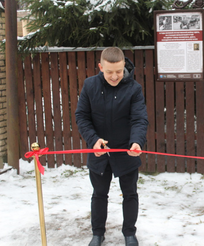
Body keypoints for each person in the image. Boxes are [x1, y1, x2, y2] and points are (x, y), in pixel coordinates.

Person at [75, 47, 148, 246]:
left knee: (130, 193)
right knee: (99, 194)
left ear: (124, 65)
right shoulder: (90, 85)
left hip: (126, 152)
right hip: (98, 152)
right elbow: (82, 116)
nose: (114, 76)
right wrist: (93, 140)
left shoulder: (134, 89)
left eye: (118, 71)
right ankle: (97, 233)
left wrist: (136, 141)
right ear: (100, 67)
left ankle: (129, 233)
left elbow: (139, 119)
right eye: (109, 72)